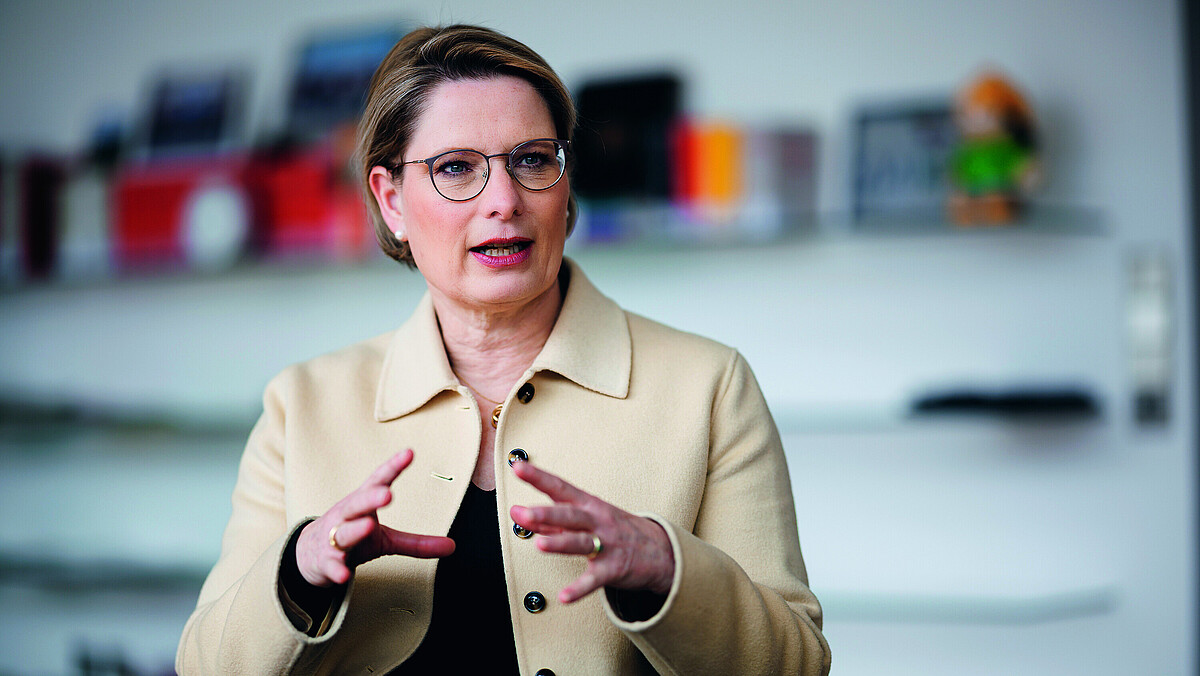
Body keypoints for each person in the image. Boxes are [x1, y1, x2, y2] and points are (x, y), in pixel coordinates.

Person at [176, 24, 830, 675]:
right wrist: (299, 570)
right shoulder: (301, 405)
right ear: (391, 200)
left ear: (566, 185)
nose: (504, 201)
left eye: (533, 160)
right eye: (456, 167)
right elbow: (205, 665)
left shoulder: (709, 386)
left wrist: (669, 572)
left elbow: (796, 664)